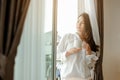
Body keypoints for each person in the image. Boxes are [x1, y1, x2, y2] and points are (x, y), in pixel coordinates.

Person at [57, 12, 99, 80]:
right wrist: (68, 52)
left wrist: (89, 52)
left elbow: (90, 66)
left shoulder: (88, 43)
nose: (78, 24)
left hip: (85, 78)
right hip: (68, 77)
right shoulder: (68, 37)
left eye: (82, 23)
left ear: (87, 26)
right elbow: (57, 54)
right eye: (78, 21)